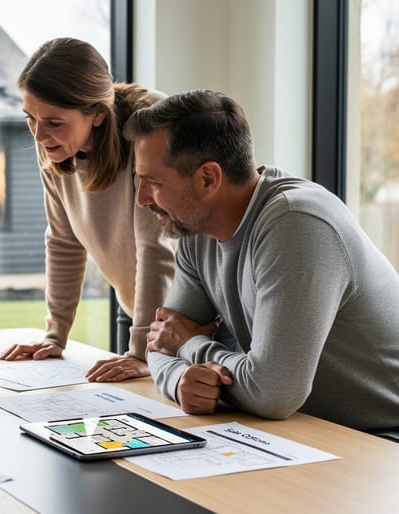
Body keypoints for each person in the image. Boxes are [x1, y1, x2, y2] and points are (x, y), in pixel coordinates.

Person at [123, 89, 399, 435]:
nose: (141, 199)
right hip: (310, 430)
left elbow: (273, 393)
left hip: (383, 441)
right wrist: (180, 379)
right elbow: (160, 343)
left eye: (152, 182)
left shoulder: (296, 224)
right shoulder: (197, 231)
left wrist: (189, 346)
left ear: (208, 178)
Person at [0, 37, 178, 382]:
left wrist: (142, 350)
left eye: (53, 122)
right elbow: (63, 240)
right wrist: (55, 335)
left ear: (96, 113)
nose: (38, 135)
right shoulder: (54, 144)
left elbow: (155, 249)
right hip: (138, 309)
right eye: (30, 118)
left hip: (186, 322)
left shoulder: (149, 129)